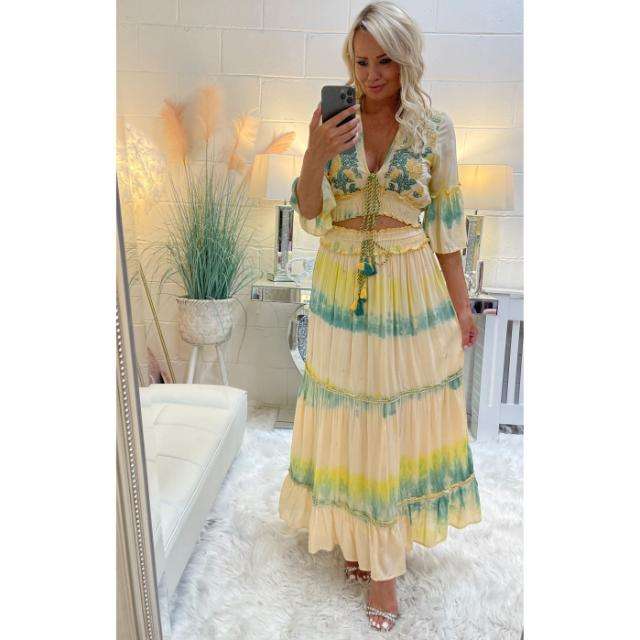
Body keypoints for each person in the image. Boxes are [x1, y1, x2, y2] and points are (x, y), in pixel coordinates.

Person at [278, 1, 482, 632]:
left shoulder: (434, 129)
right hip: (341, 286)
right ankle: (357, 531)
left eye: (384, 61)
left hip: (409, 288)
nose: (370, 75)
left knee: (391, 416)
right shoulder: (329, 121)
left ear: (406, 59)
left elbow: (446, 228)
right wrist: (315, 151)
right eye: (361, 61)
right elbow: (310, 212)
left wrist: (461, 305)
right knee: (349, 412)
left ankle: (385, 569)